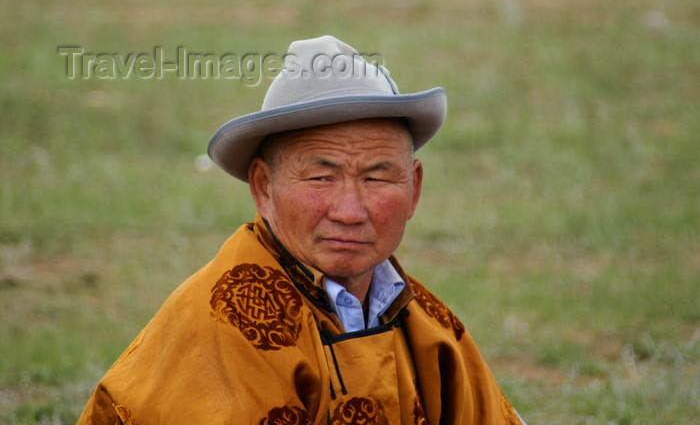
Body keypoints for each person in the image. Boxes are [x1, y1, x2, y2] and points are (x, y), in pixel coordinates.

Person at [78, 35, 525, 424]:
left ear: (415, 189)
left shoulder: (428, 327)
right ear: (263, 187)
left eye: (376, 176)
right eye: (320, 177)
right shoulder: (228, 322)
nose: (350, 211)